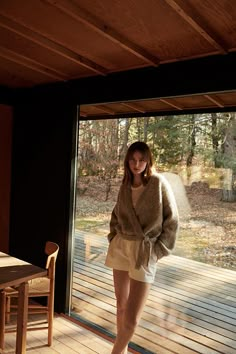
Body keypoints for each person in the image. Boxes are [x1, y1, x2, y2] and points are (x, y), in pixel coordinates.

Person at [105, 141, 179, 354]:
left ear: (148, 161)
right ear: (127, 161)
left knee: (132, 318)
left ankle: (115, 352)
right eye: (132, 160)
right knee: (121, 306)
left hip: (144, 251)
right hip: (121, 247)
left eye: (141, 160)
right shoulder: (125, 185)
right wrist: (113, 236)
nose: (137, 164)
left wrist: (158, 250)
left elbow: (172, 220)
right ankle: (124, 351)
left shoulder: (157, 183)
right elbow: (116, 214)